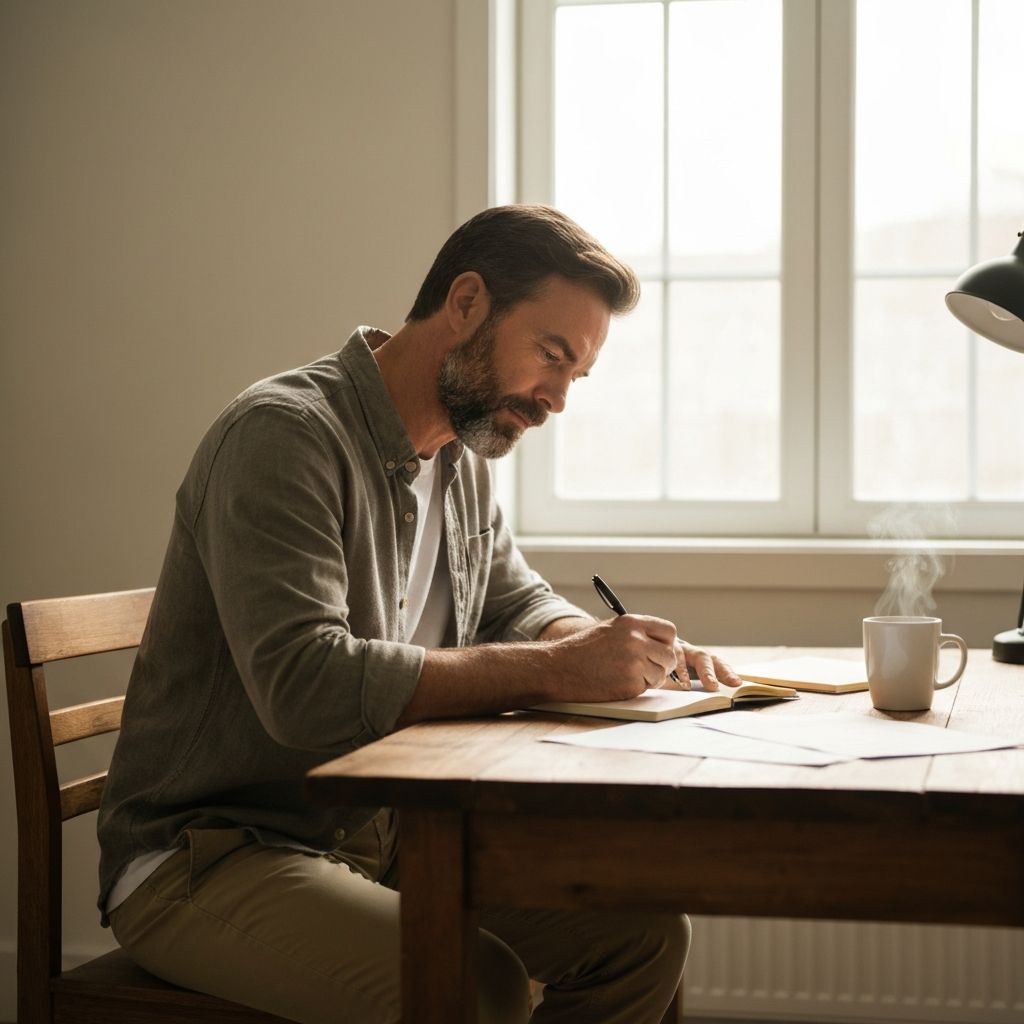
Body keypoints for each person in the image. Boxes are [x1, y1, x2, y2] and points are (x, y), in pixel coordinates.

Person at [97, 204, 742, 1024]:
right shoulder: (283, 437)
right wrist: (555, 670)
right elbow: (304, 685)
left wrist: (601, 643)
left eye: (574, 376)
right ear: (466, 303)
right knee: (477, 988)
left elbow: (516, 599)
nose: (556, 400)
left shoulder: (462, 458)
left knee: (641, 938)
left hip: (375, 837)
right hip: (213, 856)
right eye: (552, 356)